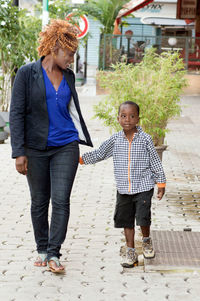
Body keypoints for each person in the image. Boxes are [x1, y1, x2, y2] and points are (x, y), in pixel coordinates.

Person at [9, 19, 93, 273]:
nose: (71, 59)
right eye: (69, 53)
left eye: (73, 54)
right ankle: (42, 249)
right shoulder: (26, 73)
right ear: (55, 47)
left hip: (65, 145)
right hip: (34, 148)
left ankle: (55, 252)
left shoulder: (68, 75)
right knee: (39, 201)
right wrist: (18, 152)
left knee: (61, 200)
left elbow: (70, 110)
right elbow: (16, 114)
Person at [80, 101, 166, 268]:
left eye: (132, 116)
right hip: (123, 189)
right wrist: (81, 159)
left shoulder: (146, 139)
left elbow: (155, 162)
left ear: (138, 119)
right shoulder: (115, 140)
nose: (128, 120)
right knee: (126, 220)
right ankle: (131, 251)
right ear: (118, 118)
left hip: (143, 186)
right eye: (124, 116)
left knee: (143, 217)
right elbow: (100, 153)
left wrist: (161, 183)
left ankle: (146, 240)